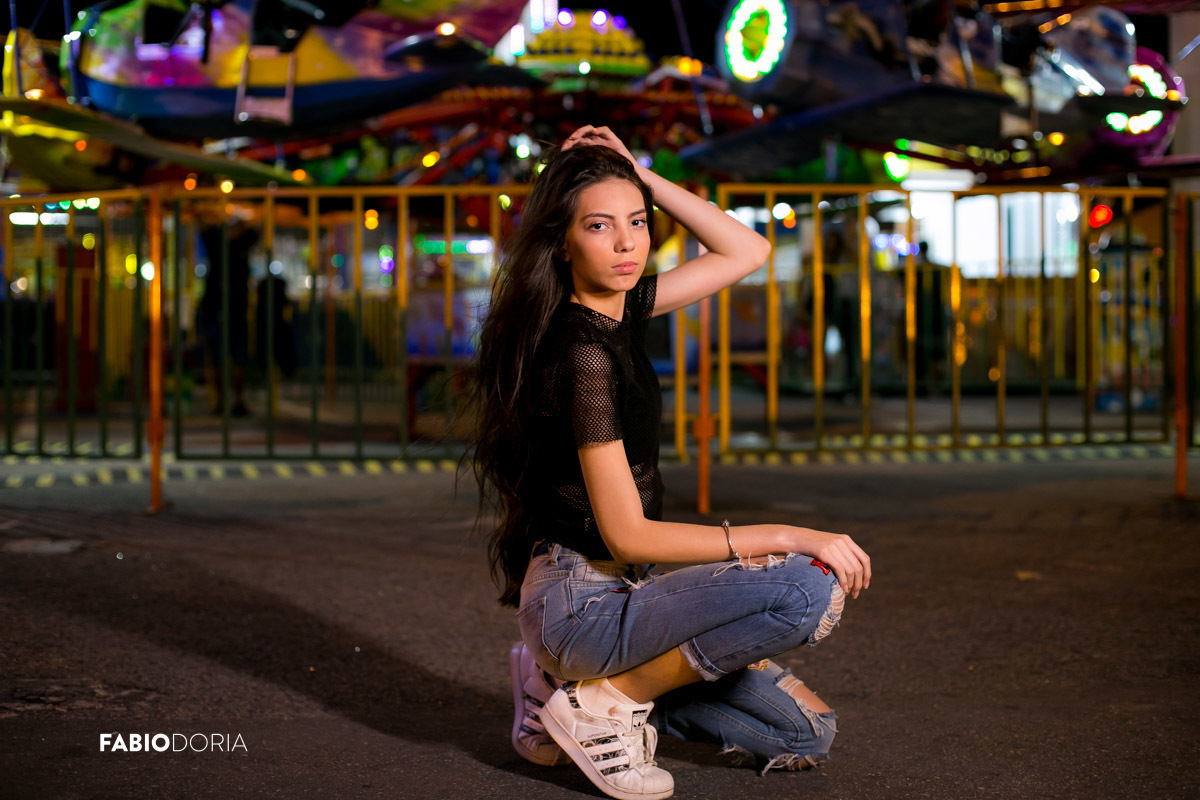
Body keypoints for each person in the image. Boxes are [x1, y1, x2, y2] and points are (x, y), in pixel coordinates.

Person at [467, 126, 872, 800]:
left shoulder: (625, 311)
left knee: (805, 736)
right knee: (804, 587)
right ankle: (601, 703)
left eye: (637, 222)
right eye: (600, 226)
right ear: (563, 241)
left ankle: (561, 691)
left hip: (630, 597)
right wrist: (788, 536)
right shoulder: (581, 355)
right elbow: (627, 536)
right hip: (581, 605)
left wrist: (639, 174)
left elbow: (749, 248)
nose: (627, 242)